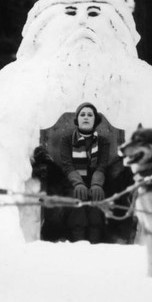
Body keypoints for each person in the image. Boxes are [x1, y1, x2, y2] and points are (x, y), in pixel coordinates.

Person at [59, 102, 110, 243]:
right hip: (73, 183)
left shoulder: (103, 141)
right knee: (78, 204)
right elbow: (67, 165)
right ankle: (78, 242)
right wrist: (78, 184)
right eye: (82, 114)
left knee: (96, 203)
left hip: (95, 183)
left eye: (89, 115)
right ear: (77, 119)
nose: (86, 117)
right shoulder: (67, 140)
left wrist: (96, 184)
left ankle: (95, 243)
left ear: (95, 120)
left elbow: (102, 165)